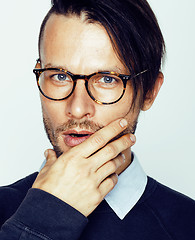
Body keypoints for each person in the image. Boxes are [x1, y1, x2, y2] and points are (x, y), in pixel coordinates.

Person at [0, 0, 194, 239]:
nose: (78, 108)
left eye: (107, 79)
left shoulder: (187, 224)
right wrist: (44, 218)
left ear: (150, 91)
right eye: (60, 76)